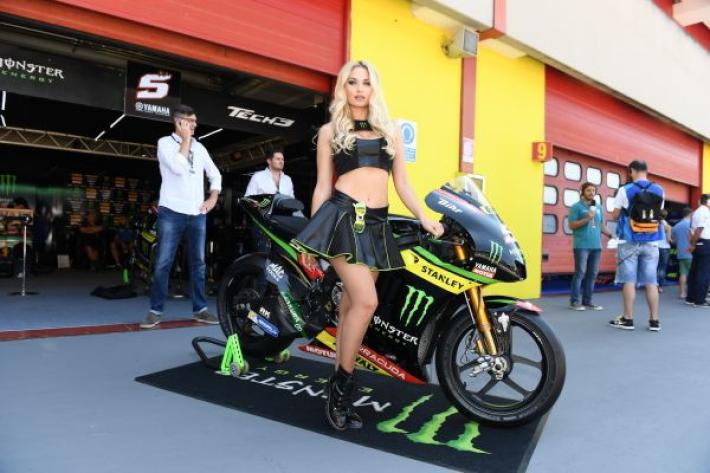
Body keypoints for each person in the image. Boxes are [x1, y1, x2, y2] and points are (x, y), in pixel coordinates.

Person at [291, 60, 443, 431]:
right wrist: (313, 233)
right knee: (366, 302)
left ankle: (336, 385)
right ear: (343, 88)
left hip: (377, 224)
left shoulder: (391, 131)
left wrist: (424, 217)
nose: (359, 89)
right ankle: (342, 389)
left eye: (366, 83)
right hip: (342, 218)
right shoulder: (330, 131)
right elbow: (322, 186)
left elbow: (403, 183)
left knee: (350, 308)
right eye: (352, 82)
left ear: (374, 89)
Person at [140, 104, 222, 329]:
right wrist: (185, 140)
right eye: (190, 121)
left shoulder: (201, 148)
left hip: (197, 213)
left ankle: (200, 309)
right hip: (171, 211)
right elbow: (178, 168)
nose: (195, 124)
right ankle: (155, 310)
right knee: (163, 262)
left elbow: (215, 174)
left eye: (195, 121)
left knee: (199, 264)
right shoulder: (164, 143)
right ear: (178, 122)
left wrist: (213, 197)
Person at [609, 160, 665, 332]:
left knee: (629, 281)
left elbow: (614, 215)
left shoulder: (625, 190)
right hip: (652, 241)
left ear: (631, 171)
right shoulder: (659, 190)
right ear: (646, 171)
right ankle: (654, 321)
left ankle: (628, 319)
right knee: (651, 281)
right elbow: (659, 213)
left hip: (629, 240)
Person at [567, 182, 613, 310]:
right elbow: (572, 225)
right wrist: (587, 219)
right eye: (588, 190)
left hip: (596, 245)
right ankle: (574, 301)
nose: (591, 193)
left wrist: (611, 235)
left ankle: (587, 301)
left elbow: (601, 225)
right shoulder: (576, 207)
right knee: (580, 273)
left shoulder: (598, 207)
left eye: (593, 190)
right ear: (582, 192)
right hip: (582, 245)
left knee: (592, 274)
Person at [245, 148, 294, 252]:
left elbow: (292, 201)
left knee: (282, 253)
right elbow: (247, 199)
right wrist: (258, 205)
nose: (281, 161)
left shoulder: (288, 179)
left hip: (282, 223)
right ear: (269, 161)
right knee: (264, 253)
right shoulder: (258, 177)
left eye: (282, 159)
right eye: (278, 159)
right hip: (263, 221)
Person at [686, 194, 710, 308]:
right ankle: (699, 300)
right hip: (704, 242)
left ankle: (691, 298)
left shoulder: (696, 212)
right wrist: (693, 244)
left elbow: (691, 230)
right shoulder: (704, 212)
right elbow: (700, 229)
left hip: (699, 242)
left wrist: (692, 243)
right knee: (704, 272)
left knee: (695, 271)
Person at [671, 207, 693, 300]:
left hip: (680, 252)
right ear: (690, 214)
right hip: (691, 252)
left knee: (683, 273)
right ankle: (691, 293)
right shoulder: (691, 225)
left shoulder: (677, 226)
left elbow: (672, 239)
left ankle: (682, 293)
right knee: (693, 274)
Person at [656, 209, 672, 292]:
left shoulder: (654, 224)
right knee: (662, 268)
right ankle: (660, 286)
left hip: (655, 247)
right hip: (665, 248)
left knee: (655, 267)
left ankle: (653, 285)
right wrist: (672, 240)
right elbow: (668, 239)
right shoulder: (667, 226)